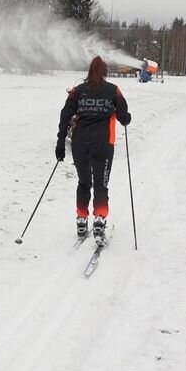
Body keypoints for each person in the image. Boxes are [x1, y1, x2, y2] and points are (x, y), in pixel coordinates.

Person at [55, 56, 131, 247]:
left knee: (84, 182)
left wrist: (60, 143)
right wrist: (126, 118)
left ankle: (81, 220)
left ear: (89, 72)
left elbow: (65, 115)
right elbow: (123, 116)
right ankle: (99, 221)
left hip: (80, 143)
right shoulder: (113, 90)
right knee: (101, 184)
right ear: (104, 71)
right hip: (103, 144)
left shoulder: (77, 91)